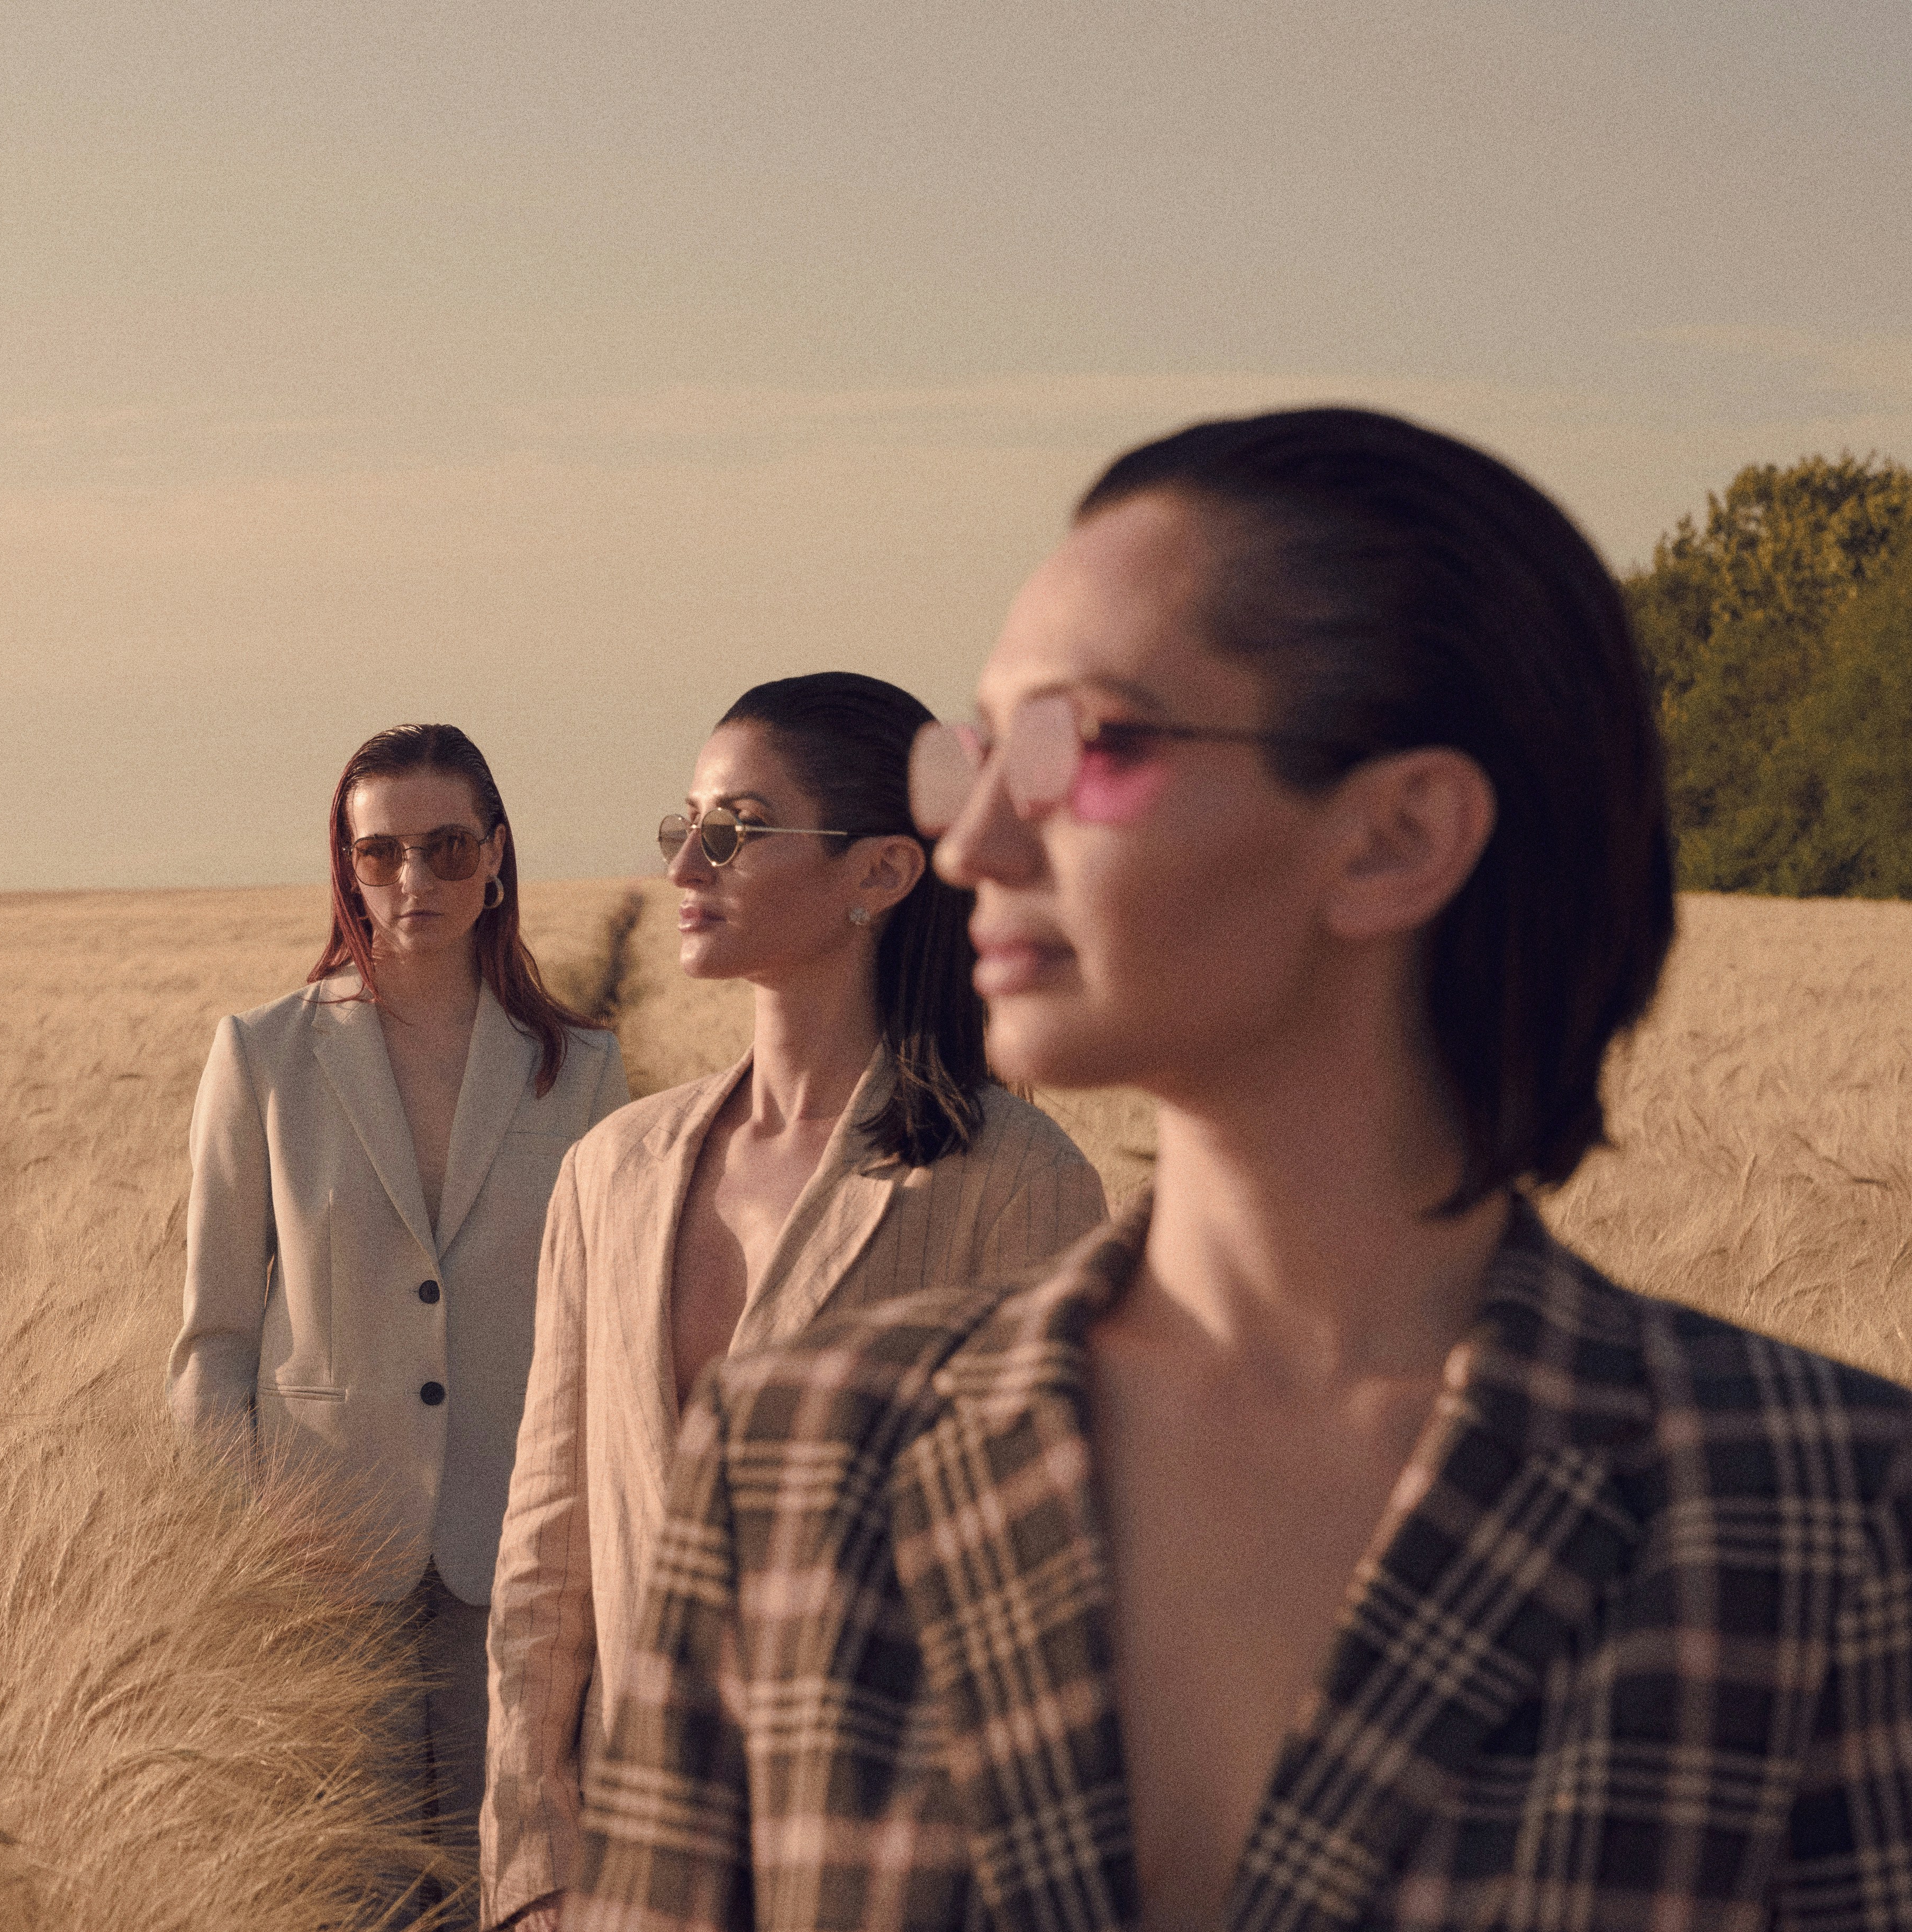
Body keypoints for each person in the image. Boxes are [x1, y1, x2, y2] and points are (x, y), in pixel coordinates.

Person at [573, 409, 1912, 1932]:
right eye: (975, 753)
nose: (973, 842)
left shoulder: (1819, 1518)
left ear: (1393, 833)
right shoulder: (791, 1463)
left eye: (1080, 744)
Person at [484, 673, 1107, 1930]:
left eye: (736, 827)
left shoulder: (1010, 1184)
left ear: (881, 872)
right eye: (685, 825)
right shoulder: (611, 1172)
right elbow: (547, 1552)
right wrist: (533, 1863)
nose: (685, 865)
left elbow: (1060, 1591)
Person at [169, 722, 628, 1919]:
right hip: (324, 1551)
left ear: (496, 857)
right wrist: (250, 1532)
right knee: (353, 1888)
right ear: (346, 865)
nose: (413, 881)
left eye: (444, 846)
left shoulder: (577, 1069)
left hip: (522, 1552)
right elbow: (213, 1339)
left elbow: (604, 1330)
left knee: (516, 1881)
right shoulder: (262, 1055)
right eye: (380, 854)